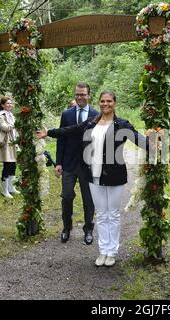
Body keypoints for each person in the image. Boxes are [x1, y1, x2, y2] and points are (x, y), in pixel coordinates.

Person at [37, 90, 154, 267]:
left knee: (113, 214)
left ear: (115, 103)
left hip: (115, 176)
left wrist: (156, 145)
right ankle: (103, 251)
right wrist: (50, 132)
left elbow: (138, 139)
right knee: (101, 214)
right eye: (102, 101)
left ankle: (112, 252)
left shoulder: (122, 124)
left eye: (109, 101)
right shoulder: (91, 123)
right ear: (99, 103)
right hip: (93, 176)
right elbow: (70, 130)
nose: (105, 104)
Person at [55, 82, 99, 245]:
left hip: (88, 165)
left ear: (89, 95)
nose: (80, 97)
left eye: (83, 94)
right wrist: (58, 162)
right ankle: (67, 228)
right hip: (68, 164)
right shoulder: (66, 114)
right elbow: (61, 138)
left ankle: (88, 230)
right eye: (77, 94)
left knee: (89, 199)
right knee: (66, 196)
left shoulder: (96, 114)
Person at [0, 96, 20, 198]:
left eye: (10, 103)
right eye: (7, 103)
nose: (10, 105)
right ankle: (4, 190)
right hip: (6, 143)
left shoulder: (11, 115)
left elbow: (15, 129)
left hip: (14, 142)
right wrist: (15, 124)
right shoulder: (0, 115)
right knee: (7, 165)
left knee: (13, 165)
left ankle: (11, 187)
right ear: (2, 105)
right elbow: (4, 127)